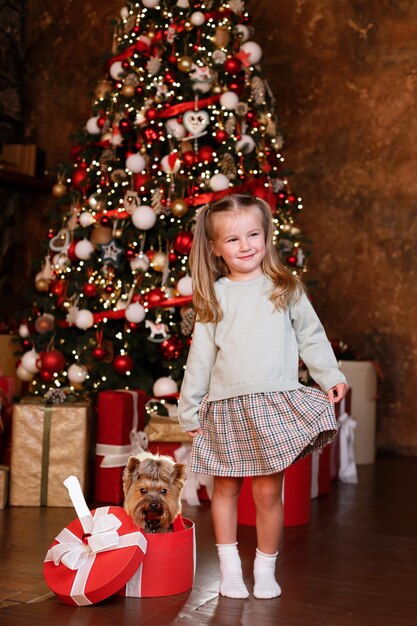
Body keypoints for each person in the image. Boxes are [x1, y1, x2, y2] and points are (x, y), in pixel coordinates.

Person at [177, 193, 348, 600]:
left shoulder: (284, 287)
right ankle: (230, 567)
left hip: (274, 402)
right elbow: (199, 360)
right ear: (216, 249)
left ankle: (266, 566)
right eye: (233, 239)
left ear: (267, 236)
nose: (246, 245)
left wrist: (329, 375)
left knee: (269, 492)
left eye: (253, 234)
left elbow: (311, 335)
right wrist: (189, 412)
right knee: (226, 489)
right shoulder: (214, 297)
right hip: (226, 407)